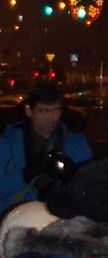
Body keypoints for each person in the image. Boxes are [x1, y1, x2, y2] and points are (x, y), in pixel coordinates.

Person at [0, 85, 93, 216]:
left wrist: (71, 175)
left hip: (60, 219)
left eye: (56, 110)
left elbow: (90, 190)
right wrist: (26, 174)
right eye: (44, 111)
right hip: (15, 216)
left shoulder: (77, 143)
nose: (52, 118)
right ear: (29, 111)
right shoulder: (6, 144)